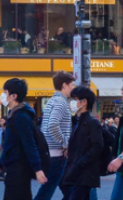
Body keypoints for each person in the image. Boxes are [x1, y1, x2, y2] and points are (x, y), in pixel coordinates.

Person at [0, 78, 50, 200]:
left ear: (13, 96)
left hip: (20, 170)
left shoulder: (21, 117)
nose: (3, 95)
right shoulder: (13, 115)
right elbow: (9, 145)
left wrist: (37, 169)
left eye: (5, 92)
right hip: (14, 169)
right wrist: (0, 165)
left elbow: (29, 144)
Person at [33, 72, 77, 200]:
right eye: (71, 85)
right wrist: (65, 143)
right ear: (64, 85)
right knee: (48, 190)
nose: (72, 88)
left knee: (68, 189)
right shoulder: (60, 102)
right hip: (56, 154)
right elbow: (52, 125)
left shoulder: (52, 101)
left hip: (50, 152)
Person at [63, 86, 109, 200]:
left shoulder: (92, 123)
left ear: (84, 102)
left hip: (85, 173)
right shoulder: (77, 121)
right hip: (77, 171)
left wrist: (80, 163)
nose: (71, 103)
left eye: (74, 100)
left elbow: (97, 146)